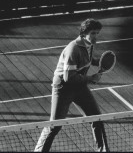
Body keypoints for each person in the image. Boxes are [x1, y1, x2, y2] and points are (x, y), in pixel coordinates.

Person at [34, 19, 109, 152]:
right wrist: (91, 78)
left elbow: (88, 60)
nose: (95, 36)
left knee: (96, 118)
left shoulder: (89, 44)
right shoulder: (73, 49)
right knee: (55, 126)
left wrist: (101, 62)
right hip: (63, 88)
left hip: (79, 86)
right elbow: (69, 78)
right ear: (84, 33)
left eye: (97, 33)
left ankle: (103, 150)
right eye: (93, 33)